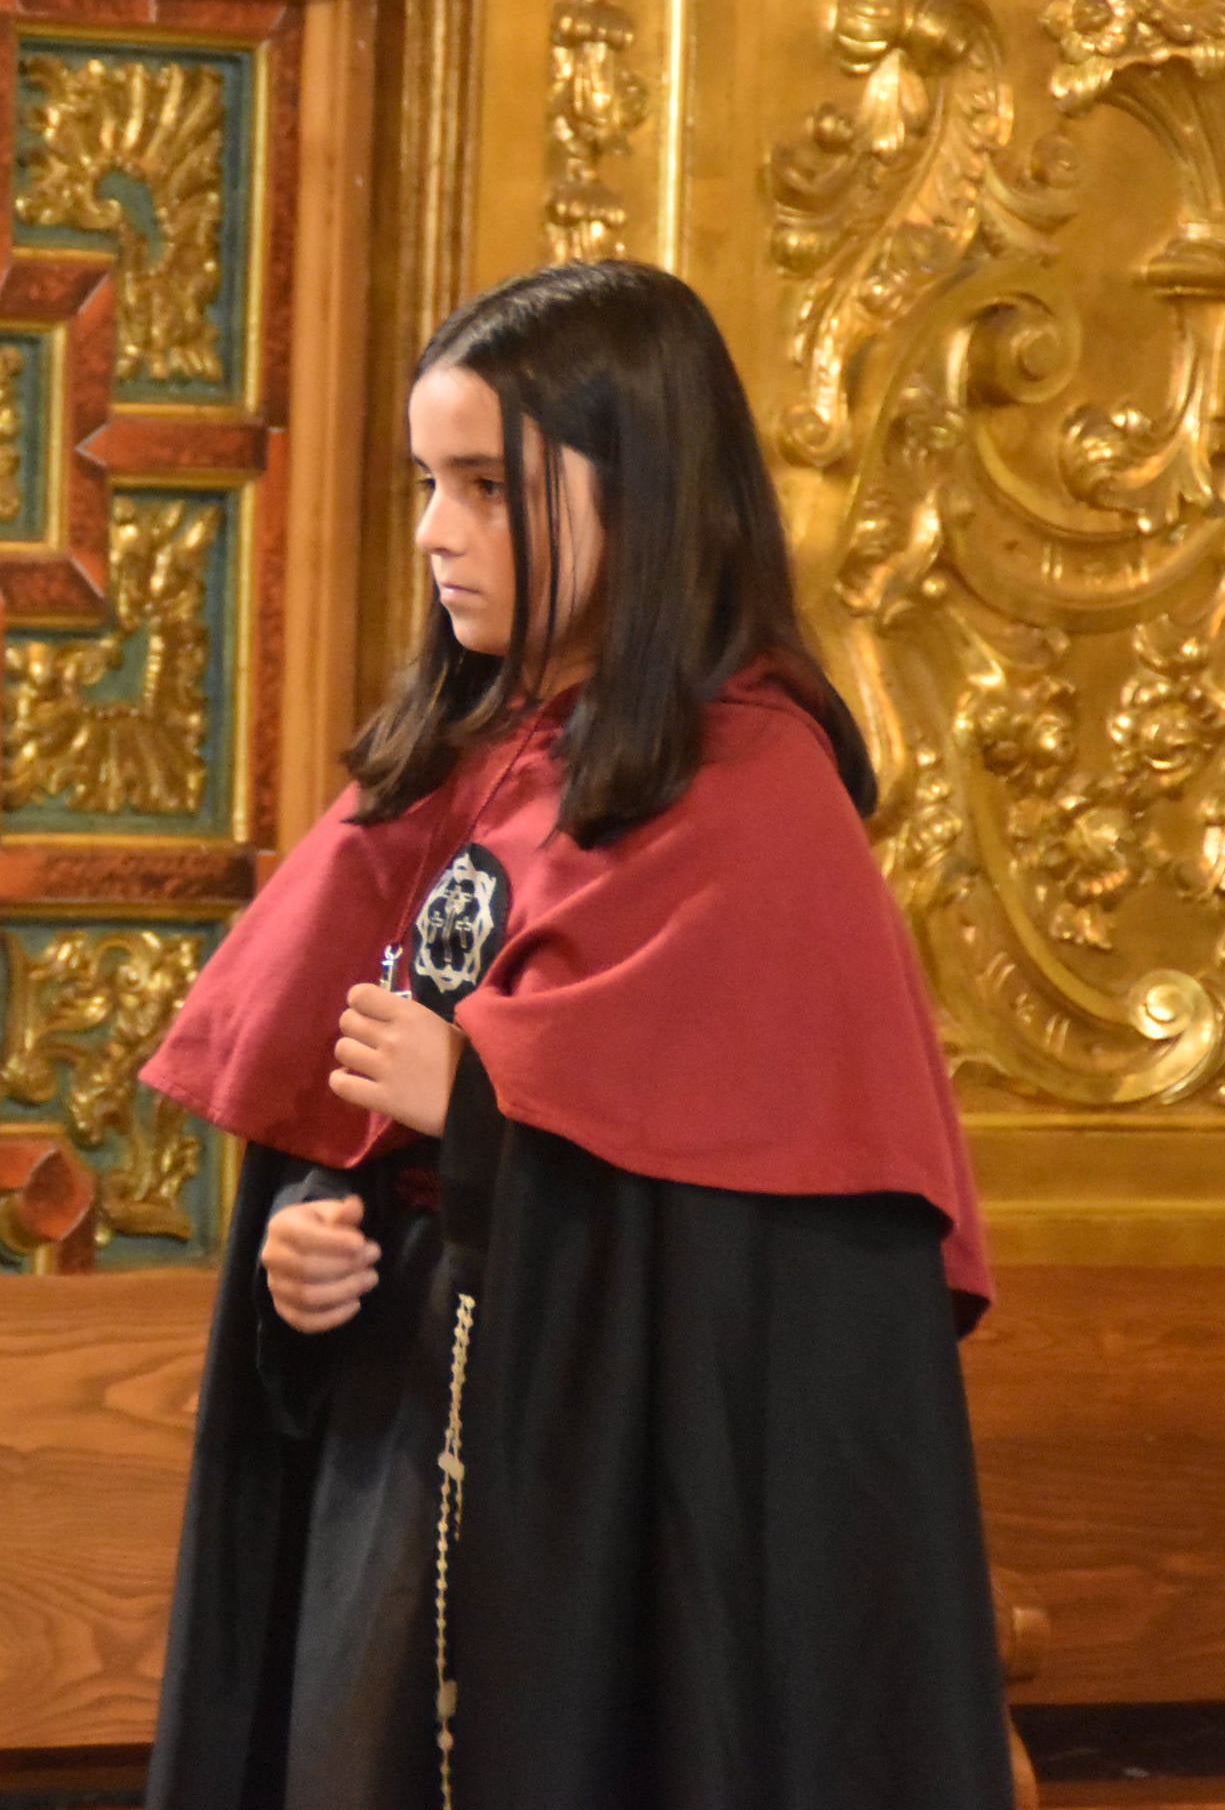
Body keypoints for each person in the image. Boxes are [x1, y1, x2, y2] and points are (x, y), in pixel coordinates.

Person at [138, 261, 1013, 1808]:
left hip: (610, 1548)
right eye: (428, 482)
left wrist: (479, 1116)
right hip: (392, 1467)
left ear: (649, 493)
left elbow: (766, 1296)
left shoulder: (751, 797)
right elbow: (327, 1126)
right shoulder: (446, 764)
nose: (433, 531)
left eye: (487, 486)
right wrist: (304, 1248)